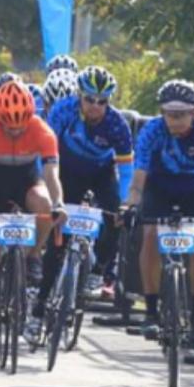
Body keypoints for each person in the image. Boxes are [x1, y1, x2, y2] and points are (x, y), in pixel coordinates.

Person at [127, 79, 194, 348]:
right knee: (149, 235)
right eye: (168, 114)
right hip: (159, 188)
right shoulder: (152, 131)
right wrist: (130, 206)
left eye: (181, 114)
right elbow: (138, 181)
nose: (174, 121)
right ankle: (151, 310)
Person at [0, 80, 62, 352]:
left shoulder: (43, 131)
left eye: (20, 125)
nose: (14, 129)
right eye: (8, 124)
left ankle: (33, 254)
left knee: (44, 204)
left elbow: (51, 175)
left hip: (27, 182)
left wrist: (58, 203)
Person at [45, 66, 133, 299]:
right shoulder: (63, 111)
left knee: (115, 215)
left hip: (101, 172)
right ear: (79, 95)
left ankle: (99, 269)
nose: (95, 105)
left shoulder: (117, 124)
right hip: (67, 169)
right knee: (58, 232)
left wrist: (125, 203)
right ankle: (41, 302)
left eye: (102, 101)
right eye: (89, 99)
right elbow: (46, 152)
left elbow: (126, 171)